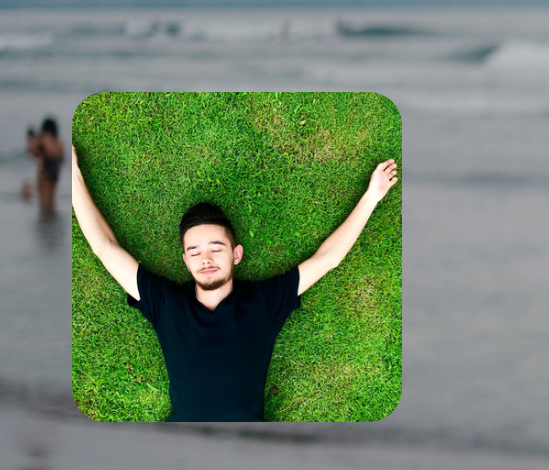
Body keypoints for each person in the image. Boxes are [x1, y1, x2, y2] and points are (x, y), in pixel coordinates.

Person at [69, 143, 400, 421]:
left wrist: (372, 196)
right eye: (194, 251)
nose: (206, 258)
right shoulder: (166, 303)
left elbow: (328, 258)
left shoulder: (263, 302)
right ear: (185, 260)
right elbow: (104, 247)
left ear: (236, 254)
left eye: (216, 248)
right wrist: (72, 176)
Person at [23, 117, 64, 220]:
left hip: (44, 171)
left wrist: (31, 139)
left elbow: (31, 151)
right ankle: (51, 216)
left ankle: (46, 218)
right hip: (55, 171)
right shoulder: (57, 141)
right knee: (51, 197)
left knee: (44, 199)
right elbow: (61, 158)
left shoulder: (42, 137)